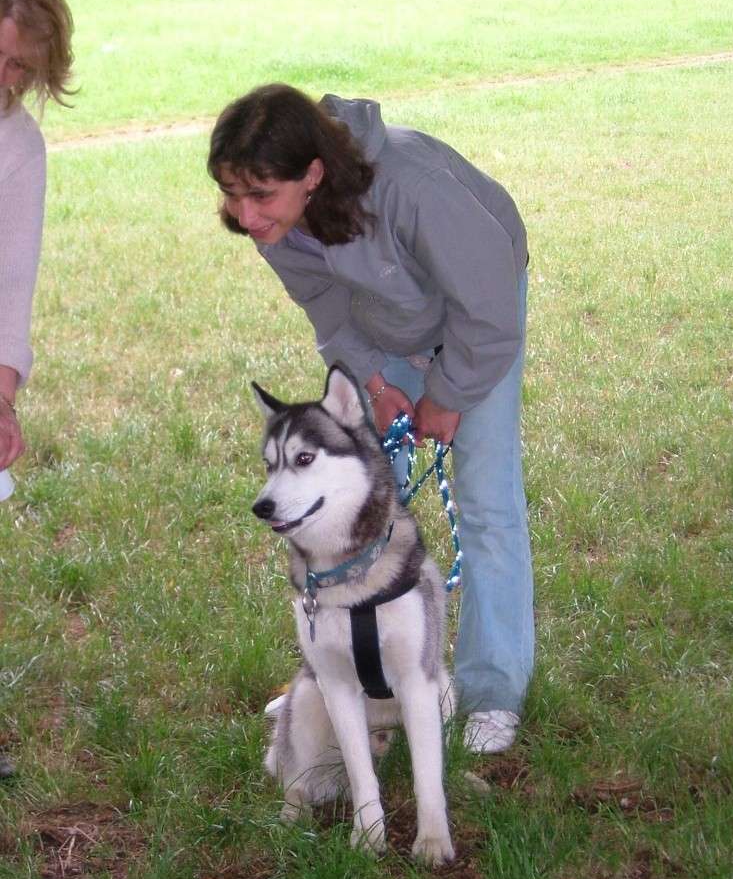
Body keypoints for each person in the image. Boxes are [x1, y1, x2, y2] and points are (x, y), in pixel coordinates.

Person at [208, 84, 534, 754]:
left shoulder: (412, 187)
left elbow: (490, 307)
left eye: (260, 196)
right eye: (232, 194)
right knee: (364, 503)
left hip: (473, 320)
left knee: (487, 503)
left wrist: (446, 395)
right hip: (381, 326)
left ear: (314, 175)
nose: (245, 215)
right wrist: (378, 384)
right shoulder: (273, 220)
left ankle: (491, 690)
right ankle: (351, 676)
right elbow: (327, 306)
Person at [0, 0, 74, 778]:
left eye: (23, 66)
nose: (5, 77)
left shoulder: (17, 144)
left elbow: (12, 280)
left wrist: (4, 400)